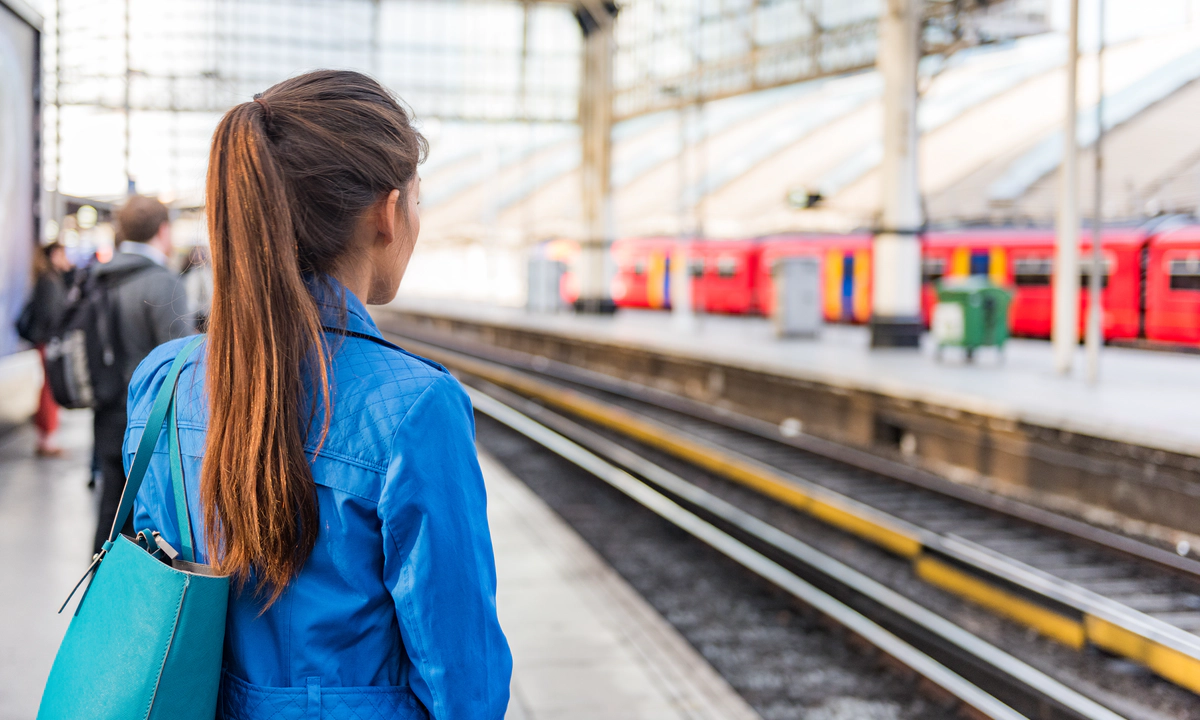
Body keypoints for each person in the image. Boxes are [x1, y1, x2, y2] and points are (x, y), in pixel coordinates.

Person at [126, 71, 511, 719]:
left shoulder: (162, 380)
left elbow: (158, 601)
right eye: (416, 201)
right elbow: (464, 686)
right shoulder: (417, 408)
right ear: (388, 213)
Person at [92, 195, 193, 554]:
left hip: (104, 409)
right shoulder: (163, 283)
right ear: (162, 231)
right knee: (147, 522)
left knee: (110, 509)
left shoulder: (98, 276)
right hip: (149, 421)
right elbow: (182, 362)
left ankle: (101, 593)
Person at [20, 242, 73, 456]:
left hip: (42, 340)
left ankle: (45, 437)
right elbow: (53, 315)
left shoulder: (45, 278)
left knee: (46, 387)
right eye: (62, 253)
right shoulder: (51, 281)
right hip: (49, 341)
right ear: (53, 256)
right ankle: (48, 439)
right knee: (50, 389)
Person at [180, 245, 214, 331]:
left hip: (205, 314)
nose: (199, 256)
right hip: (194, 315)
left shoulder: (208, 272)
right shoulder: (187, 274)